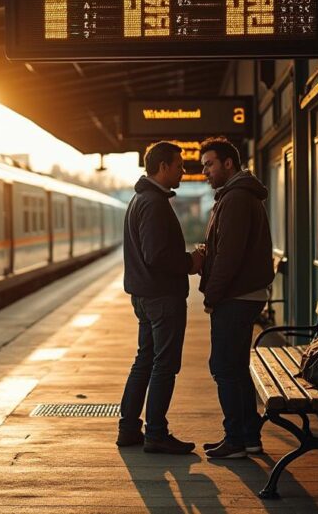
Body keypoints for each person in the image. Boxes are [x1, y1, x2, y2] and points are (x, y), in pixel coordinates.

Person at [118, 141, 205, 454]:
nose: (183, 169)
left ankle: (129, 428)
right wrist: (191, 262)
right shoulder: (153, 203)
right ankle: (155, 432)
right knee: (164, 365)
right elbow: (156, 255)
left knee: (145, 361)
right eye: (179, 164)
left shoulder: (140, 199)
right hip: (161, 297)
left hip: (145, 296)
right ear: (163, 166)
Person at [197, 136, 274, 460]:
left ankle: (236, 440)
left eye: (210, 164)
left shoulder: (237, 198)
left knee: (224, 367)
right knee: (236, 368)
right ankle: (248, 437)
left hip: (236, 296)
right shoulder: (237, 196)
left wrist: (211, 295)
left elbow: (229, 254)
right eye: (204, 166)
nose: (206, 172)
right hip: (244, 294)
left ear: (229, 163)